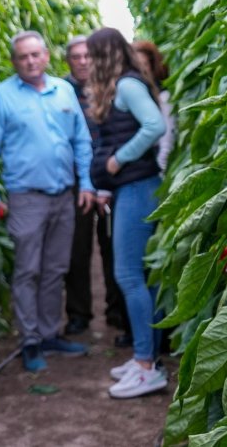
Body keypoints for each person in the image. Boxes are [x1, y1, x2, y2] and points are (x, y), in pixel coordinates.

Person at [0, 31, 96, 373]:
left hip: (64, 195)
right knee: (28, 269)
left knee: (56, 268)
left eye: (35, 55)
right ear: (14, 62)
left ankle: (48, 333)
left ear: (46, 57)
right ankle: (29, 340)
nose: (30, 61)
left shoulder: (65, 90)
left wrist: (86, 183)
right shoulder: (2, 96)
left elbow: (81, 141)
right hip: (26, 197)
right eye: (23, 57)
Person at [85, 28, 168, 399]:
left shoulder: (128, 86)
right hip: (133, 189)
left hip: (137, 189)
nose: (87, 62)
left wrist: (118, 160)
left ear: (106, 54)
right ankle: (144, 359)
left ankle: (146, 366)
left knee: (128, 274)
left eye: (92, 54)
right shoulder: (124, 85)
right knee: (139, 276)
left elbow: (155, 125)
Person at [62, 36, 130, 345]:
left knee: (113, 243)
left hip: (109, 175)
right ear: (68, 61)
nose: (82, 61)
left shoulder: (111, 87)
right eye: (75, 57)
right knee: (77, 248)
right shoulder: (61, 90)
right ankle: (78, 314)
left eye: (87, 55)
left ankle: (116, 311)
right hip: (74, 178)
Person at [132, 40, 175, 173]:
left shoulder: (163, 97)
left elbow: (167, 142)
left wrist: (160, 171)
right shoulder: (133, 94)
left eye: (145, 64)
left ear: (153, 66)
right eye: (136, 66)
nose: (142, 70)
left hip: (156, 168)